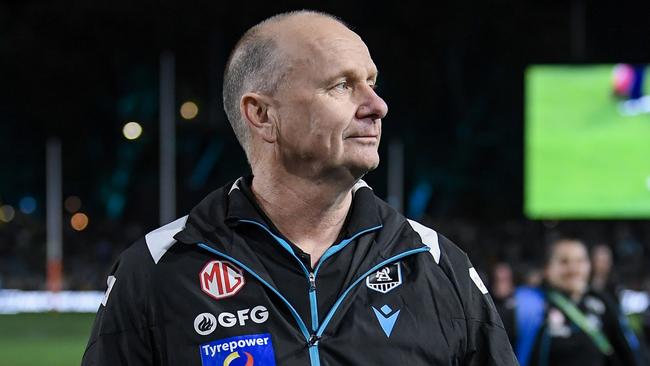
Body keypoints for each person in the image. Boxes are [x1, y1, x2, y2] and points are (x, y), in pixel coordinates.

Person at [82, 10, 517, 365]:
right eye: (342, 85)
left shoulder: (435, 263)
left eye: (373, 83)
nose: (377, 106)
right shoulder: (158, 269)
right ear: (262, 115)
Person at [511, 238, 647, 366]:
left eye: (580, 261)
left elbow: (628, 354)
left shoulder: (601, 302)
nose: (573, 269)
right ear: (547, 268)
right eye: (564, 262)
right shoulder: (529, 304)